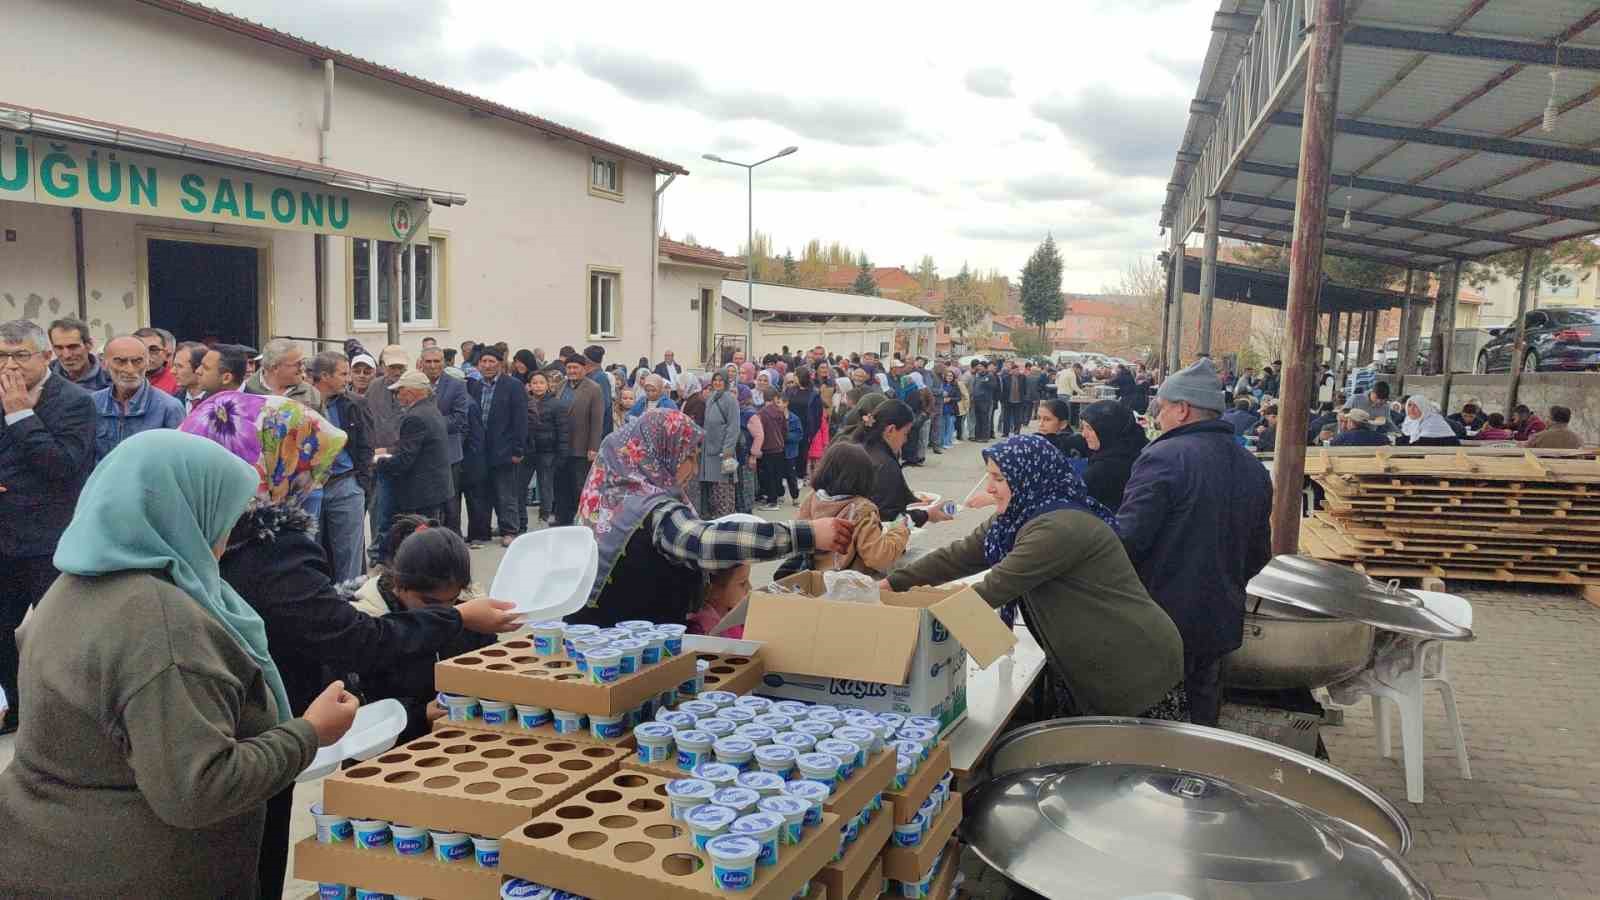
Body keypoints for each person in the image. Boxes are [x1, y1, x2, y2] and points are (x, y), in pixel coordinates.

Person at [184, 393, 520, 895]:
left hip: (205, 726)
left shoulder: (196, 535)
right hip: (255, 726)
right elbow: (354, 640)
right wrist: (456, 618)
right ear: (268, 462)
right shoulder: (269, 549)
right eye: (306, 462)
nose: (315, 480)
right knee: (250, 851)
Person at [0, 429, 359, 898]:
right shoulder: (159, 623)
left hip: (46, 851)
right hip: (134, 871)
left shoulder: (73, 585)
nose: (227, 534)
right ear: (182, 512)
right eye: (224, 515)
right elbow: (198, 790)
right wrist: (310, 732)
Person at [886, 435, 1186, 719]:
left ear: (1030, 478)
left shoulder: (1057, 528)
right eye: (989, 476)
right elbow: (961, 554)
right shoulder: (1019, 516)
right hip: (1093, 657)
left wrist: (906, 626)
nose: (989, 488)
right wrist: (890, 584)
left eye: (1000, 479)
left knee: (1126, 760)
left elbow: (993, 588)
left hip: (1132, 661)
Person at [569, 409, 853, 627]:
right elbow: (704, 543)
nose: (693, 466)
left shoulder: (612, 493)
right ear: (658, 454)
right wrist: (807, 534)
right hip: (621, 645)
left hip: (603, 633)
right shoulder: (649, 508)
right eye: (687, 455)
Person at [1116, 358, 1272, 727]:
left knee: (1153, 725)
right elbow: (1258, 554)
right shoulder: (1251, 467)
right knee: (1201, 721)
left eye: (1162, 408)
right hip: (1218, 620)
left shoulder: (1163, 457)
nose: (1158, 418)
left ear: (1182, 409)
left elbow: (1127, 541)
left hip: (1159, 621)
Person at [0, 319, 97, 734]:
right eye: (2, 356)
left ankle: (68, 719)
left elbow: (63, 465)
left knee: (58, 636)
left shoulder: (75, 402)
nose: (10, 365)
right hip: (3, 538)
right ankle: (19, 708)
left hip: (49, 540)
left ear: (46, 356)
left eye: (20, 354)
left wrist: (20, 414)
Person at [345, 516, 493, 741]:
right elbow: (354, 718)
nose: (445, 613)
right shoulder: (367, 627)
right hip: (390, 757)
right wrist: (417, 715)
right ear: (399, 585)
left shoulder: (469, 611)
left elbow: (492, 666)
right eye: (430, 603)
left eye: (451, 601)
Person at [787, 442, 911, 577]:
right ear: (865, 478)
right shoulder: (862, 509)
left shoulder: (812, 498)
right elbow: (878, 557)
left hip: (813, 578)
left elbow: (800, 539)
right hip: (847, 584)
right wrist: (900, 531)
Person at [310, 351, 374, 584]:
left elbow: (366, 445)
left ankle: (352, 605)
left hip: (345, 484)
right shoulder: (302, 402)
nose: (348, 379)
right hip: (311, 486)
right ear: (324, 376)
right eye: (344, 373)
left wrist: (362, 484)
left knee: (350, 555)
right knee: (311, 550)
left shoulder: (354, 404)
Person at [369, 371, 454, 524]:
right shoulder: (431, 410)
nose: (396, 396)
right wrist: (388, 451)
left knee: (420, 541)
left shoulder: (415, 417)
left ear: (409, 392)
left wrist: (376, 462)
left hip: (421, 494)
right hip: (434, 491)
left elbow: (404, 460)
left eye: (398, 391)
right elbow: (416, 446)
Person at [465, 346, 529, 547]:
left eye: (492, 361)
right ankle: (480, 532)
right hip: (479, 450)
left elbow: (520, 420)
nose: (487, 365)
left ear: (500, 364)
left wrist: (518, 449)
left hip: (504, 448)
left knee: (505, 493)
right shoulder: (473, 386)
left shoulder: (513, 386)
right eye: (484, 361)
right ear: (478, 364)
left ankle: (509, 530)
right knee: (480, 493)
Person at [857, 400, 955, 528]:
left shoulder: (861, 447)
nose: (905, 440)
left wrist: (912, 499)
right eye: (905, 433)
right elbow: (889, 520)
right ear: (890, 430)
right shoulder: (885, 464)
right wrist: (927, 515)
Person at [91, 334, 186, 461]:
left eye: (137, 361)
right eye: (120, 361)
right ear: (104, 364)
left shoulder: (169, 407)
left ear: (147, 363)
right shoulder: (93, 403)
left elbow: (179, 459)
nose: (130, 369)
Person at [419, 347, 471, 535]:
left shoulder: (457, 385)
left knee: (450, 505)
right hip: (421, 455)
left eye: (437, 361)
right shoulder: (415, 383)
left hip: (449, 455)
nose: (433, 365)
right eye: (429, 361)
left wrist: (427, 423)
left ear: (444, 362)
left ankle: (453, 544)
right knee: (426, 505)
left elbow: (459, 420)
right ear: (421, 363)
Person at [1073, 399, 1147, 511]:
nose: (1084, 434)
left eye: (1089, 428)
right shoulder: (1139, 447)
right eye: (1083, 428)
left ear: (1106, 429)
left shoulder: (1102, 470)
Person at [559, 354, 605, 526]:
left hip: (582, 446)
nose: (571, 371)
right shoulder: (561, 386)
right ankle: (563, 519)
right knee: (562, 484)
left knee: (580, 485)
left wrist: (593, 447)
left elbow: (597, 420)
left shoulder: (594, 389)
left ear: (584, 369)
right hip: (562, 445)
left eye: (575, 367)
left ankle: (583, 521)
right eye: (569, 367)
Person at [524, 370, 568, 527]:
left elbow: (563, 430)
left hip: (548, 451)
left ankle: (545, 515)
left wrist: (562, 453)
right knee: (521, 484)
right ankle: (520, 517)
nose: (538, 386)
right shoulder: (525, 402)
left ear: (548, 385)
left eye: (541, 382)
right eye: (534, 383)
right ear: (529, 386)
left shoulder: (556, 404)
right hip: (528, 451)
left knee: (545, 485)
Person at [698, 370, 740, 518]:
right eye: (715, 380)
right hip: (709, 449)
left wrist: (728, 449)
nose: (717, 383)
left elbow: (734, 426)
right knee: (713, 487)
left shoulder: (730, 400)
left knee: (724, 487)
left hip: (723, 451)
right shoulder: (711, 398)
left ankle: (726, 517)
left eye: (720, 380)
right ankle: (716, 518)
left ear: (726, 382)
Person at [244, 338, 319, 409]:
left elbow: (323, 422)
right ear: (275, 367)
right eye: (298, 364)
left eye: (303, 362)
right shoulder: (245, 391)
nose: (302, 368)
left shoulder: (311, 393)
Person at [47, 317, 111, 392]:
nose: (66, 355)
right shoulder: (43, 378)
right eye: (59, 348)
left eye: (73, 347)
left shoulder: (110, 379)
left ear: (89, 344)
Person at [687, 564, 751, 638]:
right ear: (715, 590)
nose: (749, 587)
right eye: (742, 583)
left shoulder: (737, 616)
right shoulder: (701, 628)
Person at [133, 326, 178, 395]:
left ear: (166, 354)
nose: (147, 355)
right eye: (140, 349)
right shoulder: (119, 380)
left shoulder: (177, 381)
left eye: (153, 349)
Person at [583, 344, 614, 438]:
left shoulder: (599, 378)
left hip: (598, 435)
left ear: (587, 360)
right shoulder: (591, 376)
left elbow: (602, 408)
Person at [173, 342, 211, 413]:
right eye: (174, 365)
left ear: (199, 368)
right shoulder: (173, 399)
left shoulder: (218, 402)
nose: (172, 371)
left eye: (179, 366)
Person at [970, 360, 998, 441]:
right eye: (978, 366)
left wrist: (986, 382)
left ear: (985, 368)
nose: (979, 368)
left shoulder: (990, 376)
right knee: (978, 419)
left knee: (984, 419)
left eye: (981, 366)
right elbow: (975, 387)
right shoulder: (978, 376)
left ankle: (985, 437)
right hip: (977, 400)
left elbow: (994, 386)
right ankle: (978, 436)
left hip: (985, 401)